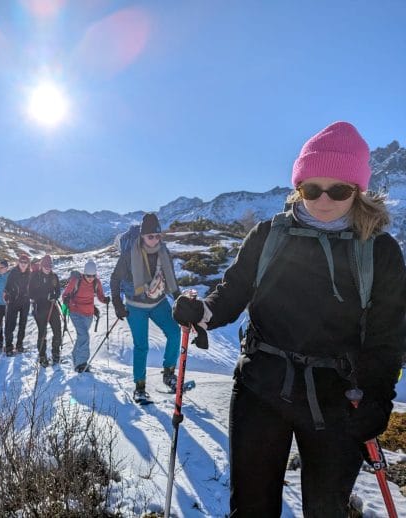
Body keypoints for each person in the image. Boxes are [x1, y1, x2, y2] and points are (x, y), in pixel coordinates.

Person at [173, 121, 406, 517]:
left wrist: (378, 396)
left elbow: (390, 335)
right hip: (261, 384)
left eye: (340, 189)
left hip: (338, 395)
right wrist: (203, 312)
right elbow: (233, 291)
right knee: (250, 506)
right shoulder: (269, 235)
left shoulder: (378, 251)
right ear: (299, 187)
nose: (324, 199)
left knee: (325, 508)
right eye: (312, 188)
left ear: (359, 190)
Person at [110, 213, 181, 402]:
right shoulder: (129, 254)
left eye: (158, 236)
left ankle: (169, 374)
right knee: (142, 346)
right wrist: (117, 303)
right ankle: (139, 387)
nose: (155, 239)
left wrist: (179, 300)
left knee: (175, 333)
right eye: (151, 236)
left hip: (158, 302)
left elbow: (172, 280)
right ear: (142, 236)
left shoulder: (163, 252)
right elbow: (115, 278)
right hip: (136, 306)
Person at [62, 260, 109, 373]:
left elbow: (100, 296)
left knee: (82, 337)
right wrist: (66, 299)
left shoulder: (96, 282)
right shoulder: (76, 281)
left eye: (93, 276)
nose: (90, 278)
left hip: (88, 314)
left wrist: (105, 300)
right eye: (88, 276)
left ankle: (75, 356)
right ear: (84, 273)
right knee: (84, 336)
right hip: (75, 312)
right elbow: (65, 295)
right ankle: (81, 364)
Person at [28, 254, 62, 367]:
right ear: (42, 265)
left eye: (50, 266)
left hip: (52, 306)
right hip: (40, 308)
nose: (48, 268)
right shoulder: (35, 276)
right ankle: (42, 356)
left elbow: (58, 291)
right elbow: (31, 293)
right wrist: (46, 295)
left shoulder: (54, 277)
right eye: (46, 265)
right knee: (42, 333)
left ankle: (56, 354)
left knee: (57, 330)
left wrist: (55, 296)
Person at [3, 253, 32, 356]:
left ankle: (19, 345)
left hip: (25, 302)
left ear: (28, 264)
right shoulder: (13, 273)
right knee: (10, 324)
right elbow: (7, 287)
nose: (23, 264)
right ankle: (9, 347)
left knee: (22, 324)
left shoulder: (30, 274)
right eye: (21, 262)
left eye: (25, 262)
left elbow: (32, 288)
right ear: (18, 262)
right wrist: (7, 295)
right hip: (13, 301)